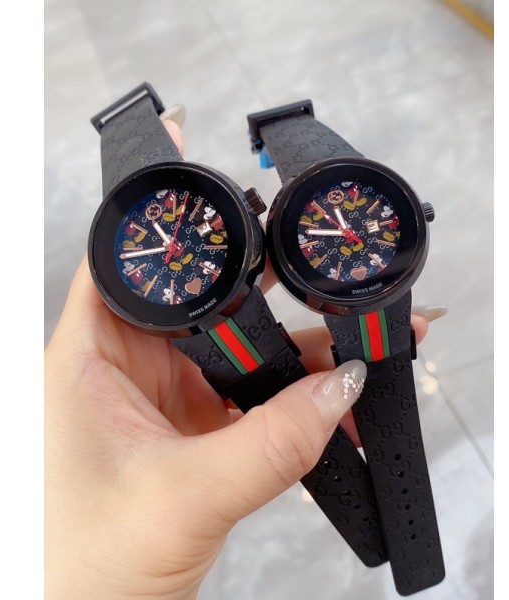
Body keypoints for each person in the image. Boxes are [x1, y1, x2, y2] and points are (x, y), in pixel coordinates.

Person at [45, 117, 435, 599]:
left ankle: (394, 546)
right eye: (160, 245)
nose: (172, 247)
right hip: (214, 326)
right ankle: (391, 544)